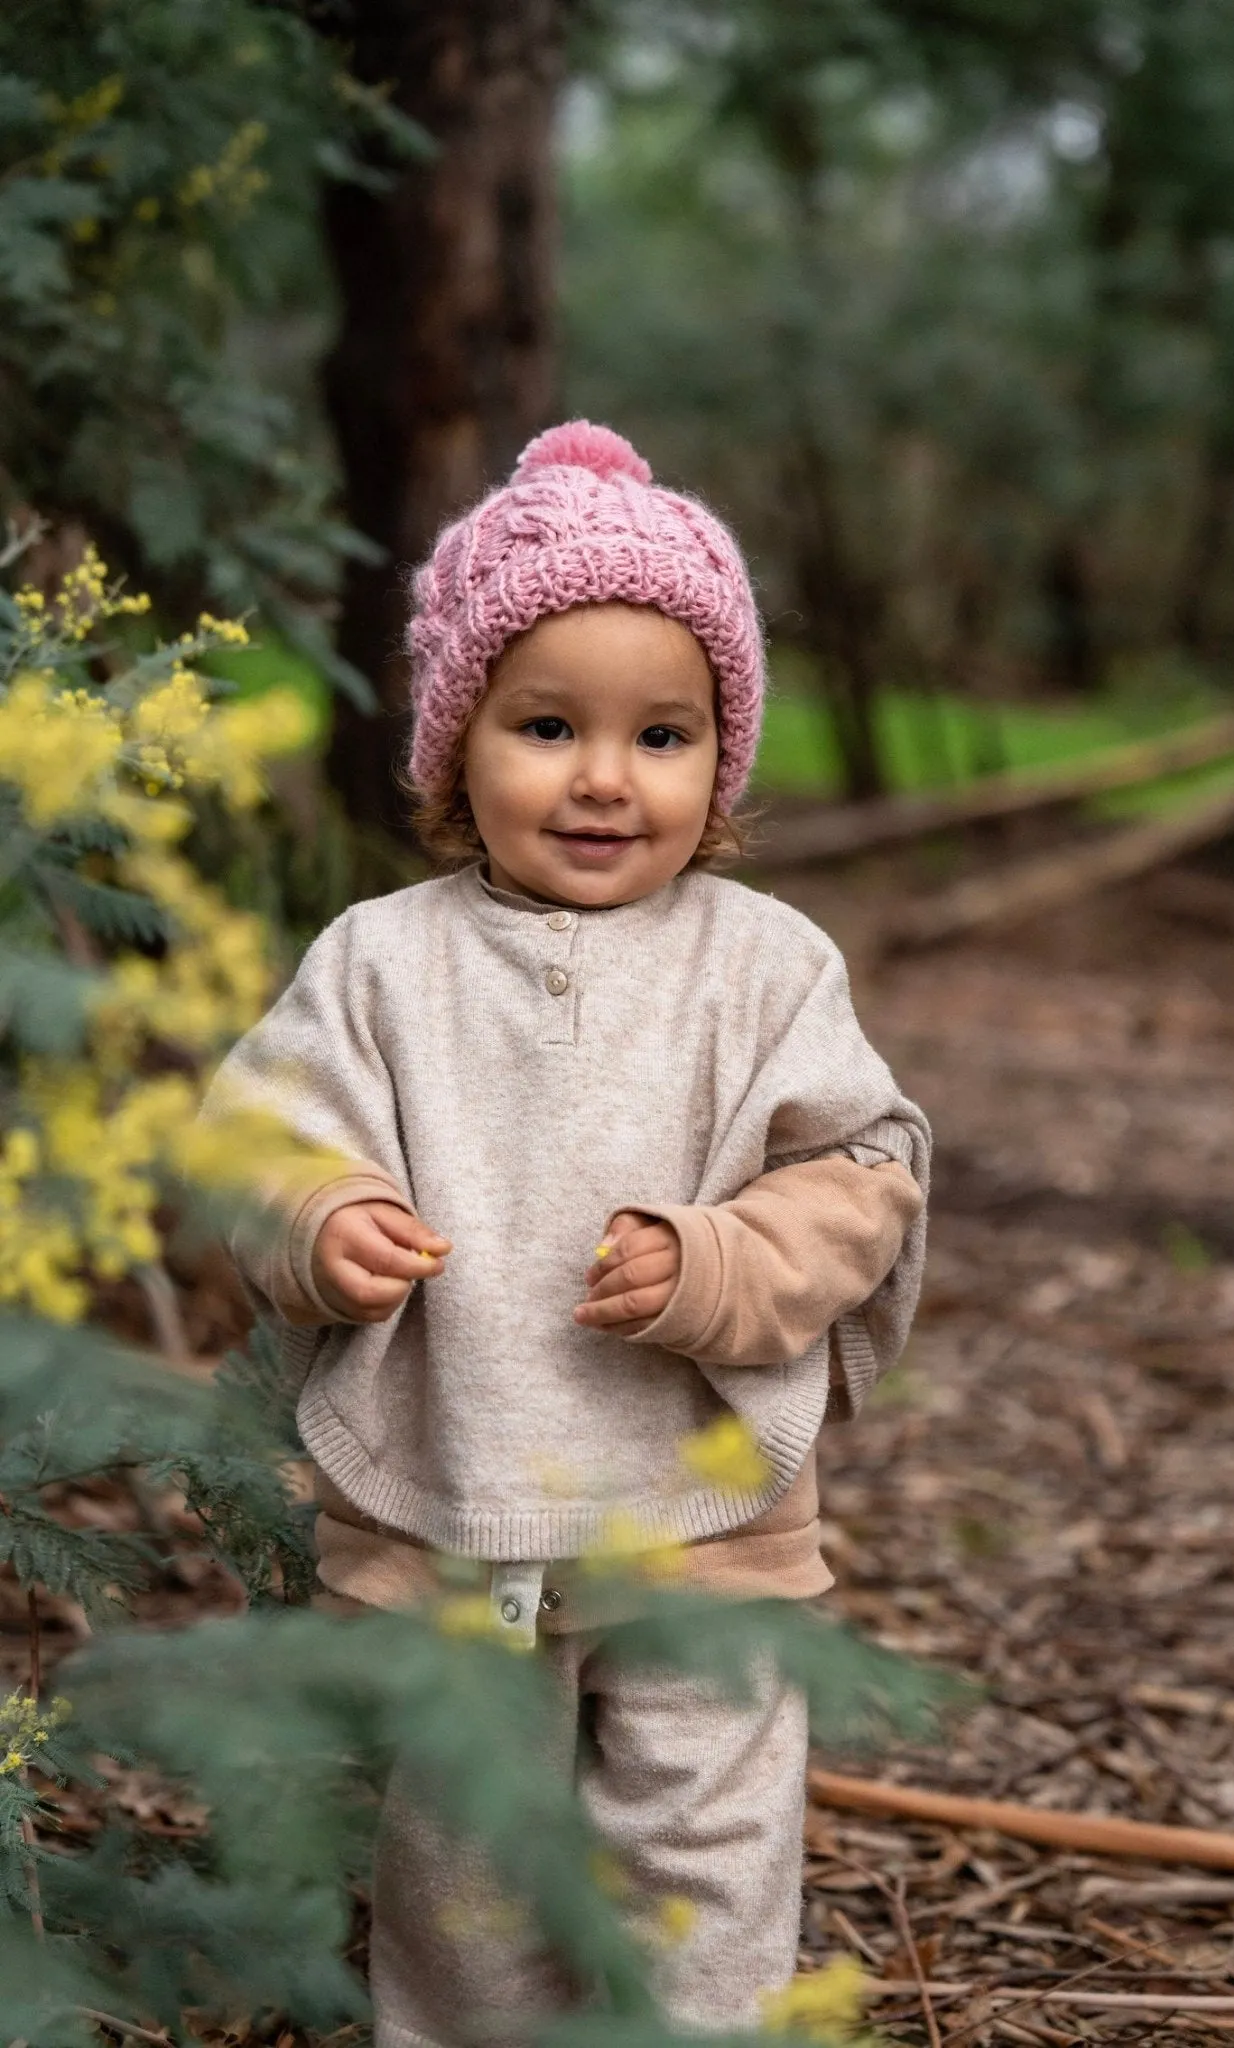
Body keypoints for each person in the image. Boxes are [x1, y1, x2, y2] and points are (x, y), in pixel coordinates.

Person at [208, 420, 930, 2047]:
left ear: (722, 755)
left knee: (706, 1832)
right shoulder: (381, 964)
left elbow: (866, 1175)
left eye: (664, 734)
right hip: (459, 1491)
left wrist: (728, 1262)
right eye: (547, 725)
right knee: (464, 1842)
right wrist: (319, 1220)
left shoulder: (766, 968)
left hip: (707, 1517)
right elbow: (250, 1144)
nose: (607, 777)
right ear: (456, 743)